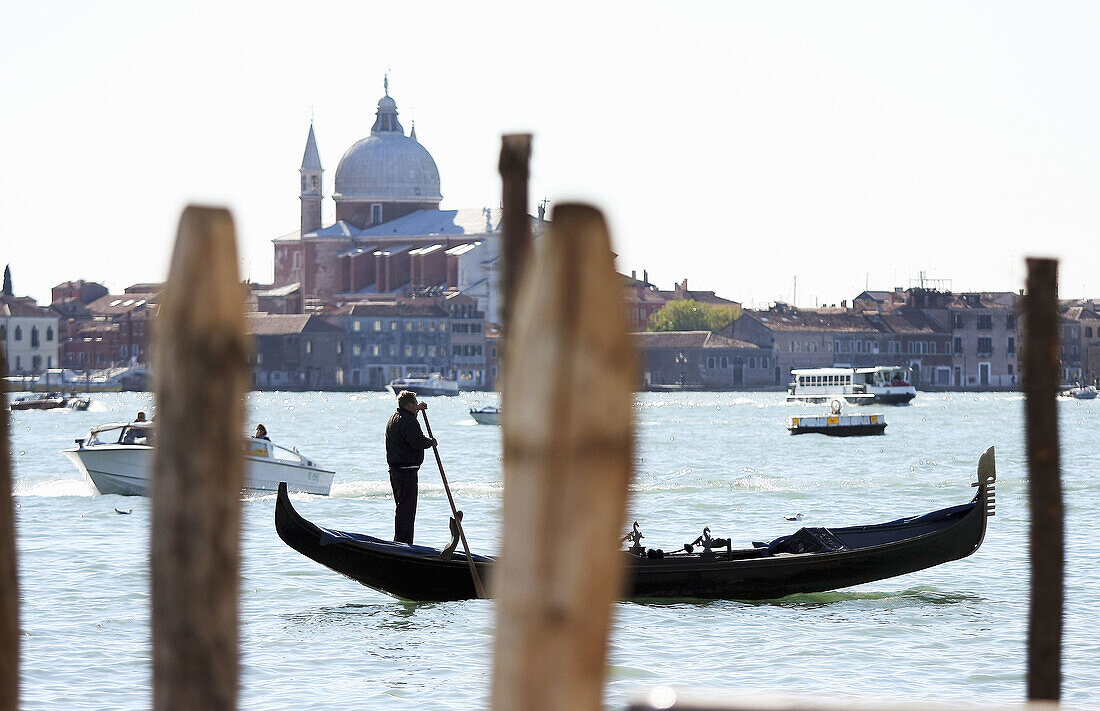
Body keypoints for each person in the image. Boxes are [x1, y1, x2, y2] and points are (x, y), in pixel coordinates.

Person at [385, 390, 437, 544]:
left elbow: (409, 428)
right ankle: (403, 543)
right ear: (408, 405)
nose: (416, 406)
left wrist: (418, 410)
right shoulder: (408, 421)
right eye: (415, 404)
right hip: (406, 472)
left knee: (402, 508)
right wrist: (431, 442)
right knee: (407, 510)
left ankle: (400, 541)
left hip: (396, 471)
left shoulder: (395, 418)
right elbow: (417, 441)